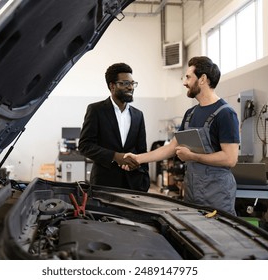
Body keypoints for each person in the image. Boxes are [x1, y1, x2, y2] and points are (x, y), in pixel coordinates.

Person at [123, 56, 240, 215]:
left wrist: (192, 156)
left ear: (202, 79)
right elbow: (171, 147)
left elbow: (230, 159)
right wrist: (137, 158)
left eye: (188, 77)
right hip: (192, 191)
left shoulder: (226, 114)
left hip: (217, 194)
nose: (185, 82)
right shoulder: (190, 114)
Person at [78, 62, 150, 191]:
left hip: (133, 184)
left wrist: (144, 179)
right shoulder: (96, 110)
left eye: (132, 83)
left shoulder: (138, 115)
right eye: (125, 83)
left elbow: (142, 150)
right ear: (112, 86)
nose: (130, 87)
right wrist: (115, 156)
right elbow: (85, 145)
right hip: (104, 183)